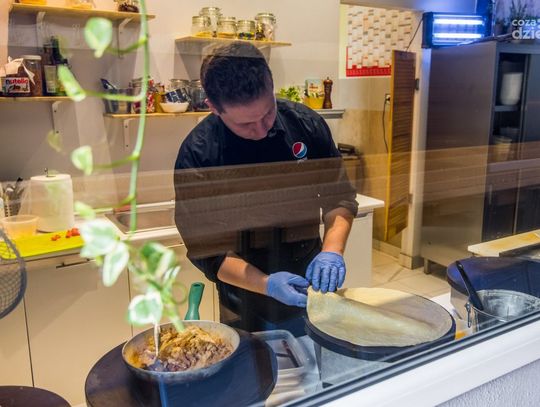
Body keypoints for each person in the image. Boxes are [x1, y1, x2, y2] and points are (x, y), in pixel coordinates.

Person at [174, 42, 358, 335]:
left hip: (312, 282)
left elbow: (340, 199)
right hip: (245, 297)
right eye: (246, 124)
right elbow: (208, 251)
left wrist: (332, 252)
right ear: (213, 108)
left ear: (272, 87)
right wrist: (266, 284)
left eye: (268, 113)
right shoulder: (198, 155)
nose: (262, 130)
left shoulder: (306, 125)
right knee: (256, 361)